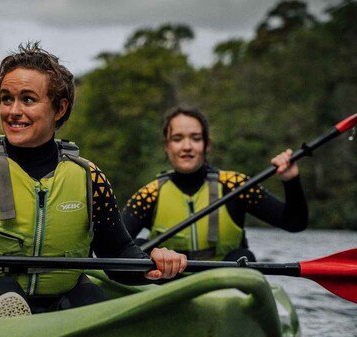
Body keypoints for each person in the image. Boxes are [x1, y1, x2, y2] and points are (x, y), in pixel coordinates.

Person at [0, 42, 187, 320]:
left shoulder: (90, 178)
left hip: (58, 307)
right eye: (7, 99)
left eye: (28, 100)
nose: (13, 111)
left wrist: (154, 263)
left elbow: (117, 254)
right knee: (6, 292)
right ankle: (12, 328)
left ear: (59, 108)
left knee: (89, 295)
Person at [122, 105, 308, 262]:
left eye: (195, 138)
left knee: (243, 256)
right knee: (135, 247)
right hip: (165, 284)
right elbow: (113, 245)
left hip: (223, 285)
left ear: (207, 144)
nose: (187, 146)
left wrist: (291, 181)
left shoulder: (235, 185)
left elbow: (294, 223)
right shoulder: (150, 194)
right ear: (167, 146)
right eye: (178, 139)